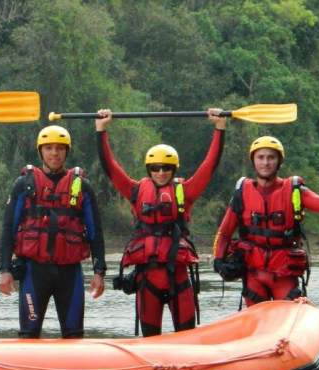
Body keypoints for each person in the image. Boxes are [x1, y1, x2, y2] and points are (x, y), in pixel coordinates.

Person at [96, 108, 226, 336]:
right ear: (149, 170)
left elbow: (209, 166)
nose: (161, 172)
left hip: (178, 277)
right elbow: (111, 168)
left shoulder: (184, 192)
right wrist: (101, 131)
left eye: (166, 168)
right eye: (155, 168)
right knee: (150, 339)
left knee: (186, 338)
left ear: (174, 169)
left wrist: (219, 128)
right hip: (148, 279)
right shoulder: (135, 191)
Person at [0, 125, 107, 338]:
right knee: (29, 334)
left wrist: (99, 272)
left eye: (60, 148)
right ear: (41, 151)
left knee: (74, 334)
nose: (54, 153)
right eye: (49, 148)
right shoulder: (23, 184)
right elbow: (8, 229)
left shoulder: (82, 187)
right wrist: (5, 270)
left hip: (70, 273)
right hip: (33, 271)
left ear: (67, 151)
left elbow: (95, 232)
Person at [212, 136, 319, 305]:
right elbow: (224, 232)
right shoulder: (242, 193)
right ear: (253, 161)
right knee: (256, 313)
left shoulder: (294, 190)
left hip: (284, 274)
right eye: (261, 157)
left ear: (279, 161)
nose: (265, 163)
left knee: (289, 309)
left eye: (271, 157)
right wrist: (218, 260)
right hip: (254, 274)